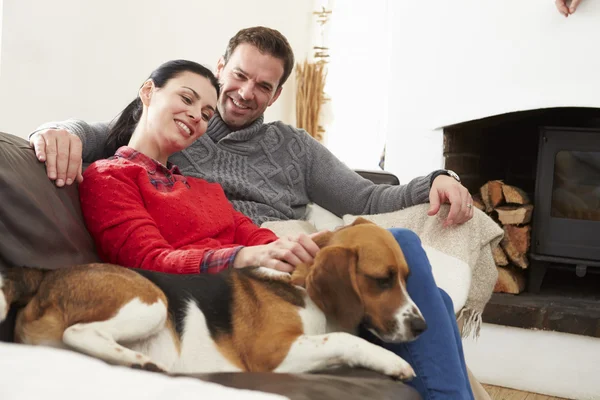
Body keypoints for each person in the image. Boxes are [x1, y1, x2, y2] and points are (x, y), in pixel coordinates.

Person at [30, 27, 475, 399]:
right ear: (220, 69)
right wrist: (55, 130)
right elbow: (105, 133)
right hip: (240, 270)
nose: (245, 93)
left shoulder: (288, 149)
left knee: (420, 274)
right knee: (410, 264)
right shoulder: (171, 134)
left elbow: (365, 197)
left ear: (277, 93)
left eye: (263, 86)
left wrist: (436, 177)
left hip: (276, 247)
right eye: (239, 76)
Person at [79, 59, 320, 275]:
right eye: (186, 99)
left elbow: (255, 236)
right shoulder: (110, 177)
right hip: (196, 303)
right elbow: (148, 261)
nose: (196, 116)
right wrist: (245, 256)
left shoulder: (202, 188)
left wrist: (291, 252)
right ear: (149, 91)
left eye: (206, 115)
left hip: (254, 288)